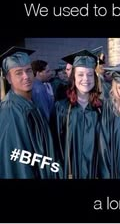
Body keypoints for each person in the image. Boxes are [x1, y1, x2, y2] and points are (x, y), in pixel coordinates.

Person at [0, 46, 60, 178]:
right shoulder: (10, 111)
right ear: (8, 78)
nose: (26, 76)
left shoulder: (30, 103)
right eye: (18, 73)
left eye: (28, 71)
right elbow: (18, 160)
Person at [51, 49, 102, 179]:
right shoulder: (61, 108)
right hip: (68, 173)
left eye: (90, 74)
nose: (85, 79)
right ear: (73, 77)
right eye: (80, 74)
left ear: (95, 78)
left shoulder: (102, 109)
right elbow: (54, 146)